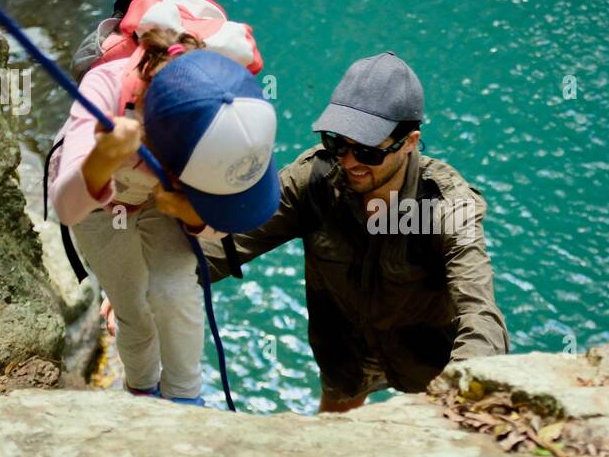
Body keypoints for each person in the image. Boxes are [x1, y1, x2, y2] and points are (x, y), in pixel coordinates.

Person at [153, 51, 509, 412]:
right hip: (345, 354)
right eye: (338, 142)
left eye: (368, 151)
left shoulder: (447, 205)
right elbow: (228, 242)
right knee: (334, 429)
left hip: (423, 357)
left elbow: (480, 311)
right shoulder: (313, 180)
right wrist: (151, 284)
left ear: (411, 142)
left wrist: (459, 391)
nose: (349, 160)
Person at [51, 39, 278, 406]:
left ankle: (185, 401)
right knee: (134, 312)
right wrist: (103, 160)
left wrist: (193, 216)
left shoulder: (231, 108)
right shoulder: (105, 92)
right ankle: (142, 392)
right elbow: (67, 207)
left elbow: (225, 215)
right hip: (101, 204)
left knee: (174, 291)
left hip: (163, 198)